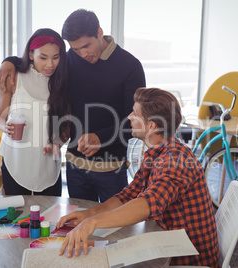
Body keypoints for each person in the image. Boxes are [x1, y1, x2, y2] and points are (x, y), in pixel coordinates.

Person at [56, 88, 220, 267]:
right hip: (166, 242)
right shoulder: (157, 153)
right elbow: (128, 195)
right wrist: (88, 214)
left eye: (135, 113)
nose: (129, 117)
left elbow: (147, 204)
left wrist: (93, 223)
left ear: (151, 126)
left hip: (186, 259)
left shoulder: (176, 160)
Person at [0, 9, 146, 202]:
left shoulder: (130, 66)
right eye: (75, 49)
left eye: (86, 46)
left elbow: (137, 120)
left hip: (111, 167)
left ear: (99, 32)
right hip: (75, 167)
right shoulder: (69, 60)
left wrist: (101, 138)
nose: (83, 54)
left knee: (116, 226)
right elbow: (37, 62)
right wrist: (8, 61)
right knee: (76, 225)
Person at [0, 28, 70, 196]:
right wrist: (4, 126)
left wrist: (57, 144)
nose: (50, 64)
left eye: (55, 57)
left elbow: (66, 125)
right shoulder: (14, 76)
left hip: (48, 163)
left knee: (50, 216)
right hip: (16, 158)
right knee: (16, 217)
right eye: (43, 57)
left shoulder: (62, 82)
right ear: (31, 54)